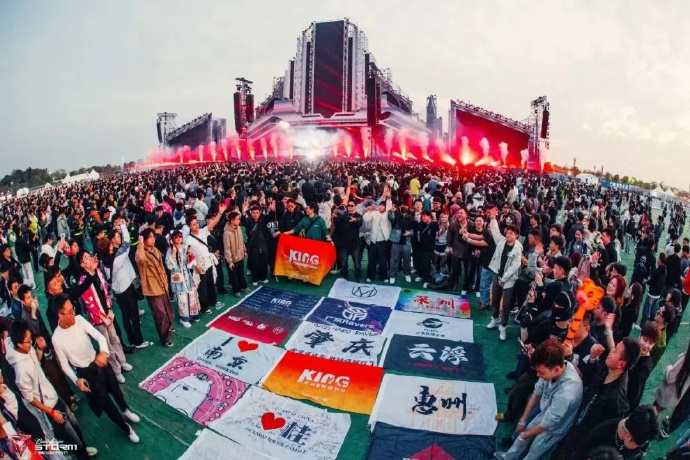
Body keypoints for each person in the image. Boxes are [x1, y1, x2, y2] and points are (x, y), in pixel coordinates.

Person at [51, 294, 140, 443]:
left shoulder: (80, 320)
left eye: (73, 309)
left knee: (115, 390)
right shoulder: (56, 338)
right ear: (60, 315)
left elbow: (99, 337)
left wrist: (103, 353)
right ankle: (126, 428)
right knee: (106, 403)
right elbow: (64, 365)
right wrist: (76, 380)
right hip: (85, 374)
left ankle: (125, 410)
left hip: (98, 362)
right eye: (70, 311)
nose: (73, 313)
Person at [6, 320, 98, 458]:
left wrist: (39, 349)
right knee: (69, 436)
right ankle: (82, 454)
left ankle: (83, 448)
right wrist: (51, 412)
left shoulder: (26, 349)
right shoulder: (21, 371)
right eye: (28, 340)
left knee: (74, 425)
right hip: (49, 406)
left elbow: (36, 362)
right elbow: (29, 398)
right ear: (19, 344)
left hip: (54, 396)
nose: (31, 342)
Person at [495, 338, 583, 460]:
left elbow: (549, 422)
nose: (538, 375)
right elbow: (537, 393)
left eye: (541, 372)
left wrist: (526, 434)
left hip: (555, 428)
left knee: (534, 453)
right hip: (545, 413)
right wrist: (523, 419)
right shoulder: (552, 367)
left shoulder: (567, 392)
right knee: (522, 437)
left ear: (556, 369)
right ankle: (508, 457)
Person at [73, 250, 131, 383]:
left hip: (107, 314)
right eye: (86, 258)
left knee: (115, 339)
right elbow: (89, 304)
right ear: (82, 264)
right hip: (98, 320)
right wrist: (102, 317)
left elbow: (105, 291)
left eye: (89, 256)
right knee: (107, 346)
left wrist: (109, 309)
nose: (90, 259)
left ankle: (122, 362)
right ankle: (116, 371)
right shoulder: (82, 281)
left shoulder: (98, 272)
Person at [104, 220, 150, 349]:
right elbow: (127, 241)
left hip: (118, 290)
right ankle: (138, 341)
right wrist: (123, 226)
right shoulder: (118, 255)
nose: (119, 237)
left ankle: (131, 340)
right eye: (117, 236)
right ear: (111, 242)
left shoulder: (104, 260)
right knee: (134, 316)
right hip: (126, 288)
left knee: (125, 316)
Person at [486, 206, 523, 342]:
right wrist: (492, 218)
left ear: (516, 235)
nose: (507, 234)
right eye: (507, 232)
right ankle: (495, 318)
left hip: (509, 279)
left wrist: (504, 278)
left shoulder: (518, 249)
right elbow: (495, 231)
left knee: (506, 304)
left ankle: (503, 326)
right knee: (495, 299)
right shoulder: (501, 241)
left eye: (511, 233)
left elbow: (515, 266)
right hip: (497, 274)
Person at [135, 229, 175, 347]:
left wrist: (165, 280)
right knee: (160, 313)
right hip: (152, 288)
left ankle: (169, 326)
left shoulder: (154, 249)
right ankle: (164, 337)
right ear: (144, 240)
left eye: (153, 237)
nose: (153, 239)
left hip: (161, 284)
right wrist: (140, 243)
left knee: (167, 308)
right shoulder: (141, 252)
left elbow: (161, 266)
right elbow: (141, 259)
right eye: (150, 237)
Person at [574, 405, 658, 460]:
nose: (640, 447)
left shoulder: (642, 436)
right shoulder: (600, 433)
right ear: (627, 436)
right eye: (637, 445)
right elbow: (580, 454)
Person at [185, 205, 226, 314]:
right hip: (199, 266)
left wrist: (220, 213)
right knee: (202, 287)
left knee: (211, 283)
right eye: (193, 224)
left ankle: (213, 300)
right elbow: (189, 255)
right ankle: (205, 307)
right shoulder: (188, 240)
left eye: (197, 223)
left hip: (208, 262)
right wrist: (196, 266)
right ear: (189, 226)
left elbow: (213, 223)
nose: (196, 225)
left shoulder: (203, 231)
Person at [165, 230, 201, 327]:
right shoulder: (170, 250)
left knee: (191, 295)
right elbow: (169, 266)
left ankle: (193, 314)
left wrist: (191, 255)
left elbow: (191, 263)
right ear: (172, 239)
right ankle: (184, 318)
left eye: (180, 236)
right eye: (176, 237)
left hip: (188, 275)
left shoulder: (186, 247)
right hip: (178, 276)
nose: (178, 238)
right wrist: (173, 254)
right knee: (182, 298)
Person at [627, 322, 658, 412]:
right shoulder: (632, 348)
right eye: (645, 340)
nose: (646, 345)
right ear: (640, 336)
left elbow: (634, 394)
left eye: (651, 343)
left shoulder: (644, 368)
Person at [222, 212, 249, 298]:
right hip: (232, 259)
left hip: (240, 256)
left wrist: (244, 251)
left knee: (241, 273)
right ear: (232, 220)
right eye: (237, 219)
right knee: (233, 276)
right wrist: (229, 261)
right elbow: (227, 248)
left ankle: (243, 286)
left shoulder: (239, 228)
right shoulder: (226, 233)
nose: (239, 221)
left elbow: (242, 241)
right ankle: (236, 290)